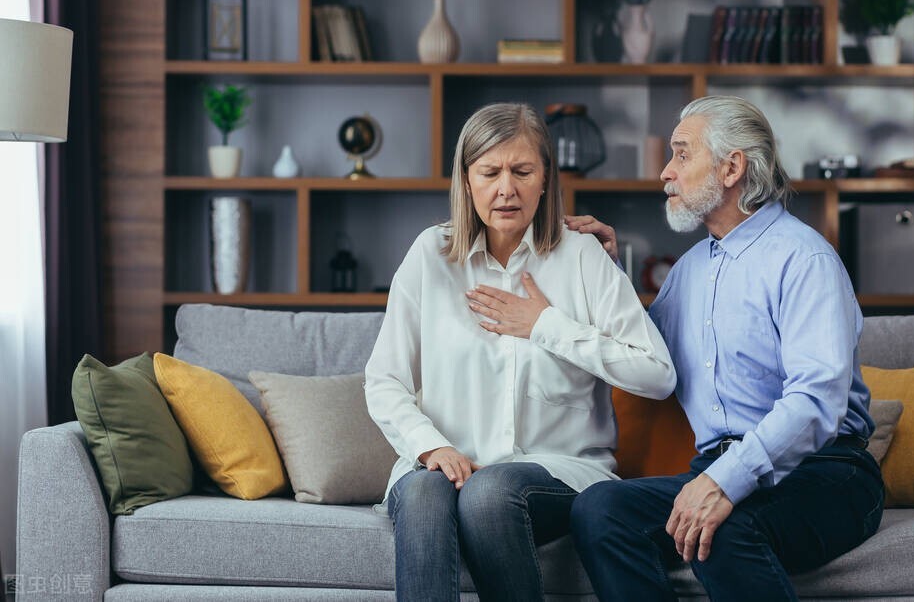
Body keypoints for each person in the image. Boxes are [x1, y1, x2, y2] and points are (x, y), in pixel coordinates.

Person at [567, 95, 883, 601]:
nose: (666, 173)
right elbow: (644, 356)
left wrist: (725, 483)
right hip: (715, 467)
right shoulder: (688, 271)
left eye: (681, 154)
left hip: (826, 472)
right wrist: (606, 276)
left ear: (732, 167)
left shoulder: (804, 258)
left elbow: (816, 400)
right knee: (600, 509)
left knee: (719, 528)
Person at [364, 102, 676, 602]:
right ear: (466, 181)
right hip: (444, 461)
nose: (506, 188)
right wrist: (430, 446)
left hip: (559, 471)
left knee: (488, 494)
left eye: (522, 171)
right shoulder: (430, 254)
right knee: (423, 490)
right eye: (489, 172)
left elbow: (656, 373)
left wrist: (545, 325)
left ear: (546, 178)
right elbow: (385, 380)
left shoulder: (582, 255)